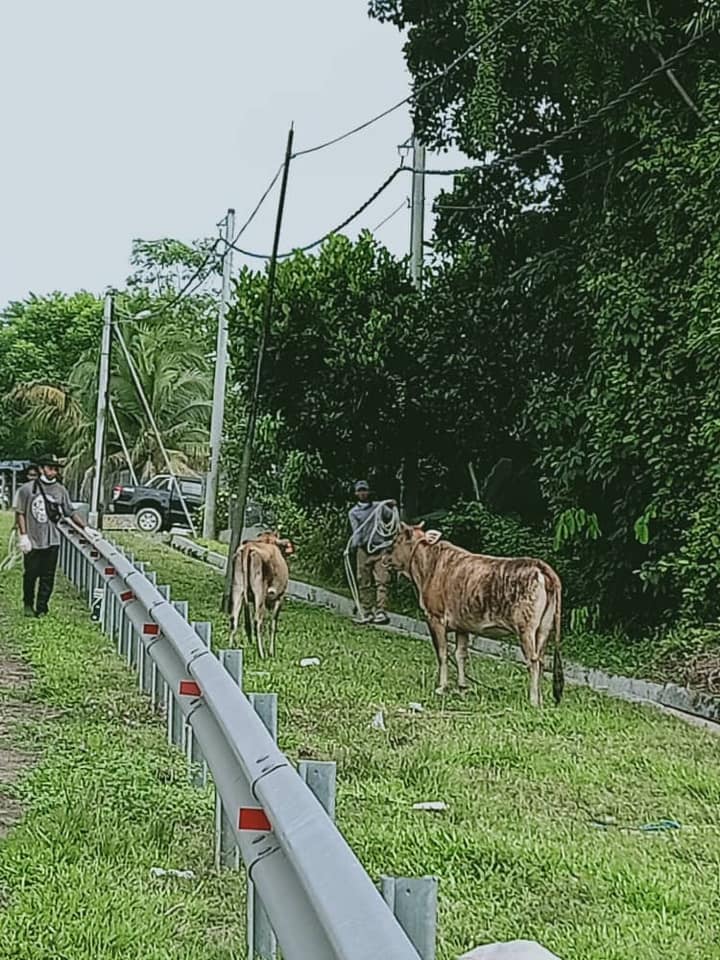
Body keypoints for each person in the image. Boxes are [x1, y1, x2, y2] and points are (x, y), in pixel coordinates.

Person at [14, 453, 93, 617]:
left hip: (52, 540)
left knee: (48, 576)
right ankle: (28, 603)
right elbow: (20, 512)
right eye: (50, 468)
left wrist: (86, 528)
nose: (53, 472)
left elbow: (69, 512)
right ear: (41, 469)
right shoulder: (27, 489)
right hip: (33, 540)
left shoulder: (60, 490)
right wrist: (23, 536)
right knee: (31, 573)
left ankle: (42, 607)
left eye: (55, 469)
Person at [348, 480, 394, 625]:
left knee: (383, 580)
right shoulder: (353, 512)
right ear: (356, 493)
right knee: (363, 580)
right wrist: (353, 546)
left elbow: (391, 517)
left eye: (365, 490)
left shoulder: (379, 507)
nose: (362, 493)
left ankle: (381, 611)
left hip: (380, 548)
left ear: (369, 492)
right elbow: (356, 532)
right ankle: (366, 611)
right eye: (360, 491)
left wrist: (391, 506)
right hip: (363, 550)